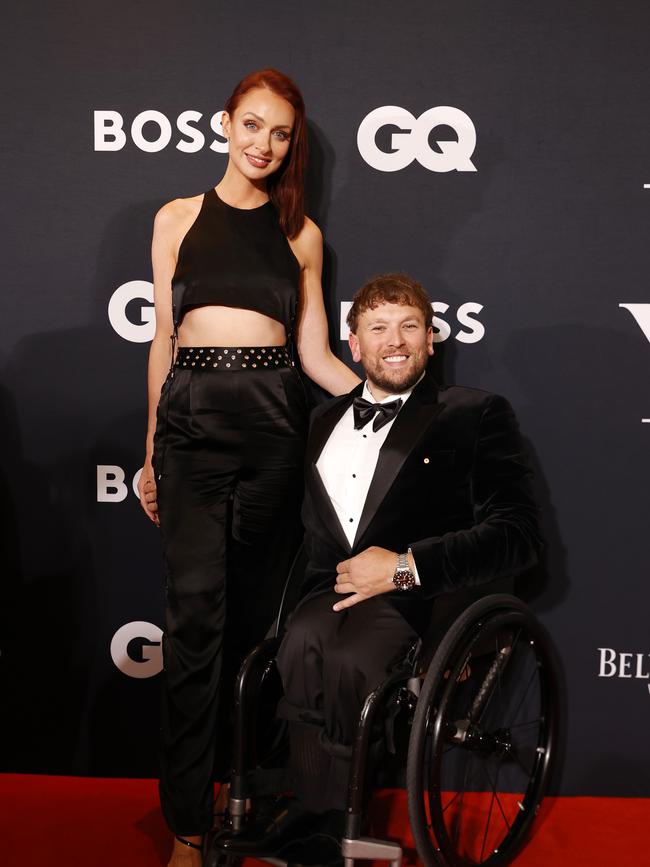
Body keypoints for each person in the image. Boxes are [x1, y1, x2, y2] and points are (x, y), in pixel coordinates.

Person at [220, 272, 542, 862]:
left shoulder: (475, 413)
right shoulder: (320, 422)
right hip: (328, 594)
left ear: (430, 339)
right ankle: (311, 812)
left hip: (419, 599)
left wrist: (402, 568)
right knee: (299, 645)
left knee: (353, 658)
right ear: (354, 344)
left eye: (409, 327)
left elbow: (517, 536)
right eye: (378, 328)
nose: (394, 342)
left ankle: (340, 822)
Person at [137, 69, 359, 866]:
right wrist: (150, 448)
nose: (264, 144)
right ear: (224, 123)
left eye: (280, 134)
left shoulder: (301, 235)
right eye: (253, 125)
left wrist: (394, 393)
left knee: (252, 624)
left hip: (274, 424)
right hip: (193, 425)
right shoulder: (176, 218)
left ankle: (242, 786)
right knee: (194, 620)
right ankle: (189, 825)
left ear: (291, 144)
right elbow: (163, 341)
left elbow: (315, 356)